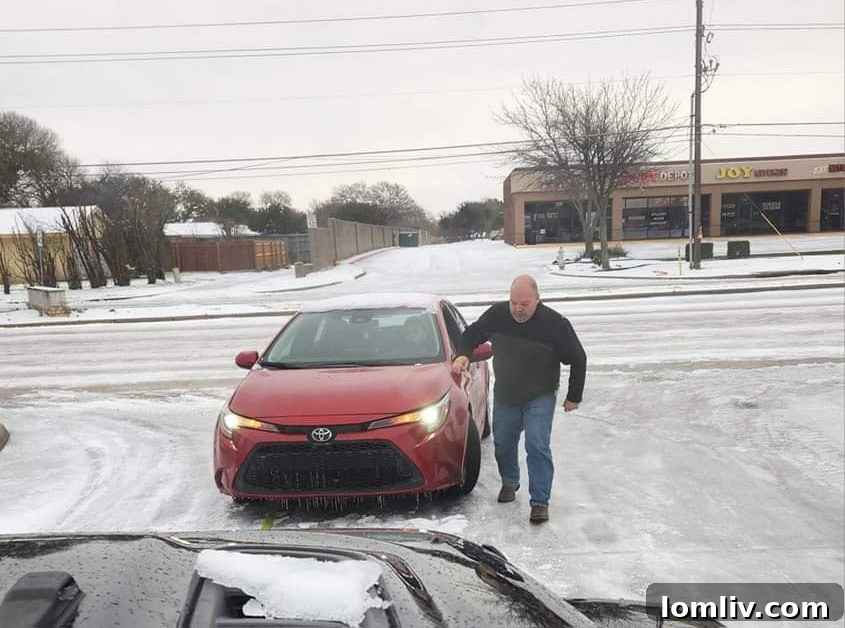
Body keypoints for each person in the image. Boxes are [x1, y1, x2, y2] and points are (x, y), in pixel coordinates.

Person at [451, 274, 586, 524]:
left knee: (536, 444)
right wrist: (463, 353)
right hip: (506, 394)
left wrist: (573, 396)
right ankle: (510, 482)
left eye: (524, 304)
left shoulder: (555, 324)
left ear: (538, 300)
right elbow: (472, 333)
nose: (518, 309)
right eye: (514, 302)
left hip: (540, 395)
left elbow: (578, 358)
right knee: (503, 443)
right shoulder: (497, 315)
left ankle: (539, 502)